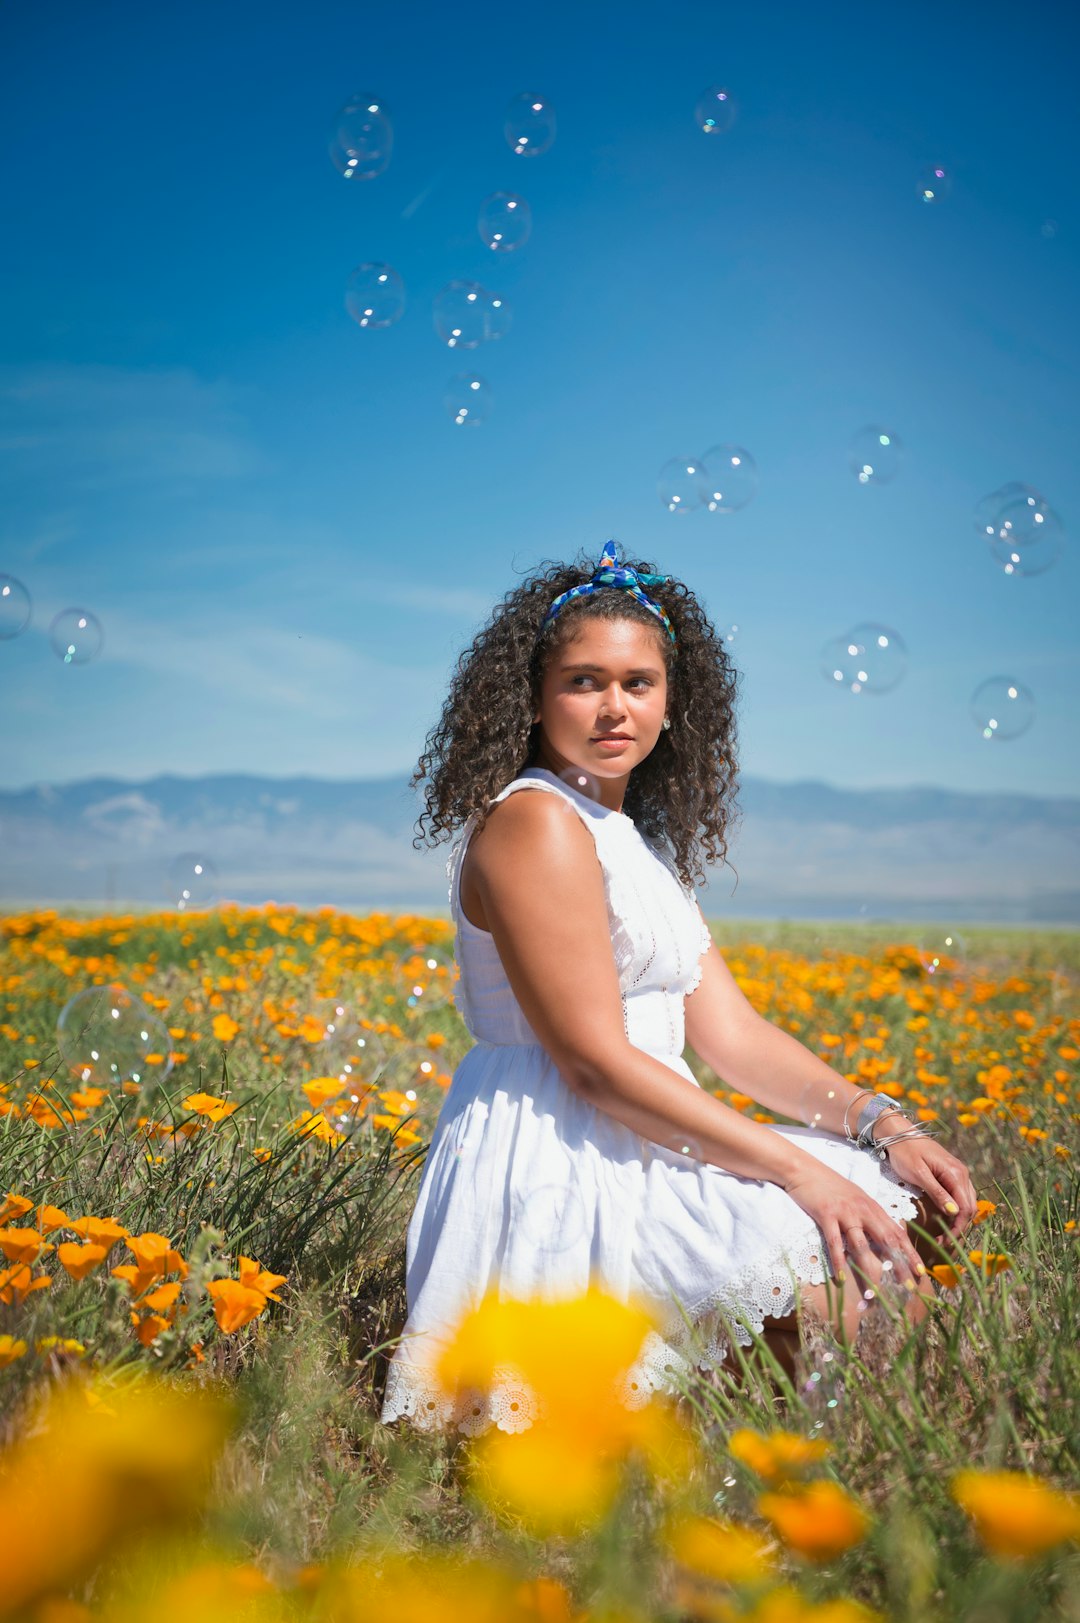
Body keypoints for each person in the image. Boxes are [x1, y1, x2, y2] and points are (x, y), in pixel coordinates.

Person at [379, 540, 978, 1435]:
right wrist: (802, 1174)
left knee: (903, 1226)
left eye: (639, 682)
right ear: (535, 696)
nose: (615, 706)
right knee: (857, 1282)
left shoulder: (625, 838)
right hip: (568, 1154)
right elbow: (593, 1064)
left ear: (672, 700)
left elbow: (731, 1036)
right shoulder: (536, 821)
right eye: (584, 680)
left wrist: (881, 1123)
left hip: (652, 1130)